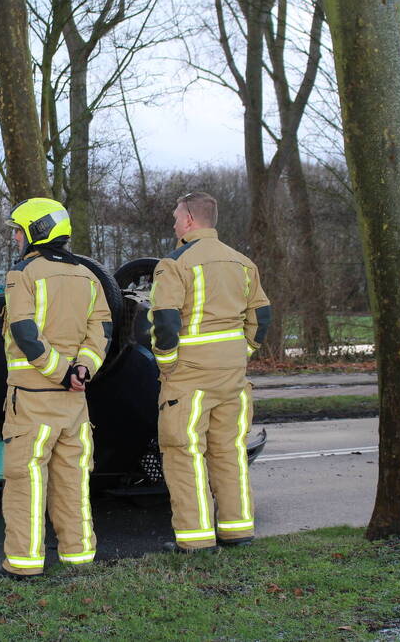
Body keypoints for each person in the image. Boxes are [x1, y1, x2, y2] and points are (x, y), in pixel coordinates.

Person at [0, 198, 112, 579]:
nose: (15, 236)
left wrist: (61, 372)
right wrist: (82, 371)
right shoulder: (88, 276)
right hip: (76, 402)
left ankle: (24, 564)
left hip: (32, 399)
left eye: (18, 229)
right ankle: (78, 557)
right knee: (74, 480)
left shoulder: (22, 274)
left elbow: (25, 332)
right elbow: (101, 332)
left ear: (35, 231)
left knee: (25, 481)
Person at [149, 192, 271, 553]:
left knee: (184, 453)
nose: (173, 224)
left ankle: (195, 540)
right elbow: (261, 317)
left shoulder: (174, 264)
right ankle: (238, 530)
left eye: (175, 217)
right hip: (232, 375)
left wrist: (167, 362)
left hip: (189, 376)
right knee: (229, 451)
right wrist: (243, 351)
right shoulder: (243, 263)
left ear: (188, 219)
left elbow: (166, 321)